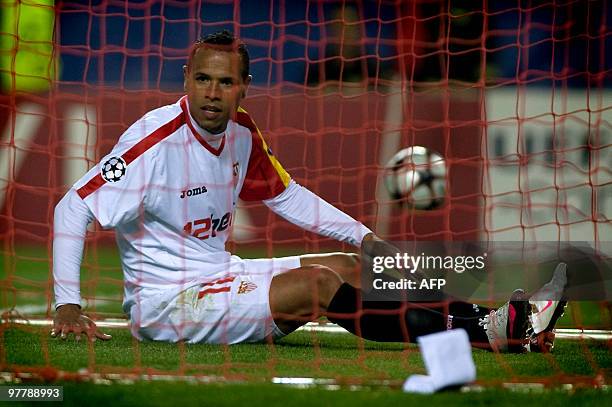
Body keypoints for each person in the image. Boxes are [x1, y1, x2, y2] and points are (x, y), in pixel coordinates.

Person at [51, 30, 566, 353]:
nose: (212, 92)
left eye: (225, 82)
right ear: (186, 79)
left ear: (244, 85)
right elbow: (72, 207)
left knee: (354, 267)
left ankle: (499, 319)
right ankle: (491, 336)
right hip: (166, 306)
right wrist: (66, 305)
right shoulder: (153, 142)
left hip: (218, 275)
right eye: (202, 79)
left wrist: (364, 238)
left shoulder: (241, 131)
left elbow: (287, 195)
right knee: (318, 285)